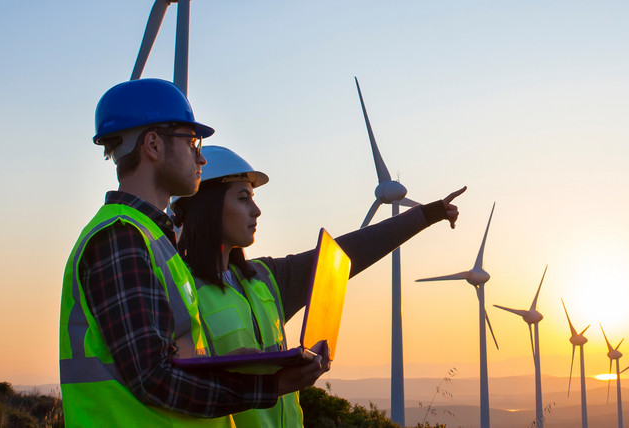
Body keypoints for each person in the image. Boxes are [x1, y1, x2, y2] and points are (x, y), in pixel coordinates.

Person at [58, 79, 327, 427]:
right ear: (153, 145)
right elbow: (154, 378)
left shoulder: (153, 239)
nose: (200, 156)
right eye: (191, 142)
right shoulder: (120, 238)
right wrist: (270, 386)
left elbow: (173, 358)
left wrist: (242, 363)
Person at [171, 146, 465, 428]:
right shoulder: (176, 290)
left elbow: (348, 254)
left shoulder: (265, 278)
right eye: (243, 198)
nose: (256, 210)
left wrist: (428, 214)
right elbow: (178, 389)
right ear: (208, 207)